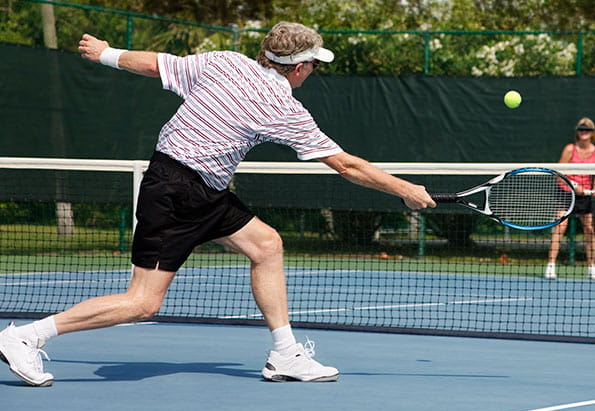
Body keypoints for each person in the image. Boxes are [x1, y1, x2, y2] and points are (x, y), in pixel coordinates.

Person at [0, 22, 435, 387]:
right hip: (176, 191)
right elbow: (346, 165)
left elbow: (154, 64)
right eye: (314, 64)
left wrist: (107, 52)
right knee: (143, 303)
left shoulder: (223, 61)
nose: (313, 71)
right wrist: (404, 188)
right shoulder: (284, 109)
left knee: (266, 245)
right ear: (299, 68)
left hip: (201, 190)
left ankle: (285, 354)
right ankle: (27, 336)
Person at [545, 117, 595, 280]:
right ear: (577, 132)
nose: (584, 132)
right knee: (560, 227)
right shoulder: (570, 149)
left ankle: (591, 267)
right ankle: (551, 266)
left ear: (593, 133)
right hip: (566, 193)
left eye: (587, 130)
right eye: (581, 129)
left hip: (585, 197)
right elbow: (559, 174)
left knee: (589, 230)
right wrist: (574, 186)